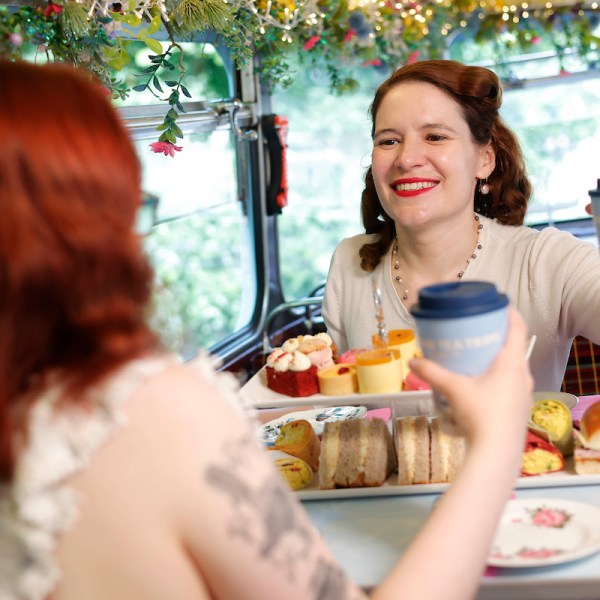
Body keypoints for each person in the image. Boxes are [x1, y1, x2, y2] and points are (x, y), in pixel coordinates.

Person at [0, 59, 533, 600]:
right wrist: (496, 442)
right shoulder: (159, 410)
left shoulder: (540, 256)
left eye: (435, 135)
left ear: (483, 159)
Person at [322, 59, 600, 392]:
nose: (406, 159)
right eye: (389, 141)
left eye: (435, 136)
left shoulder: (546, 260)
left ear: (484, 159)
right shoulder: (348, 261)